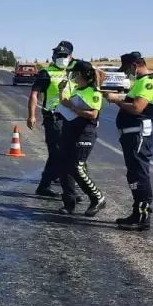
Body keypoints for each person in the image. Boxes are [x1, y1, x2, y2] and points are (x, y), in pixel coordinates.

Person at [106, 51, 153, 230]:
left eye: (128, 69)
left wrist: (116, 101)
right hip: (130, 135)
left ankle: (143, 216)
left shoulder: (149, 82)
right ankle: (136, 213)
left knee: (140, 174)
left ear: (135, 66)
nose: (127, 73)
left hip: (138, 135)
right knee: (133, 174)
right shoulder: (139, 83)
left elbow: (137, 108)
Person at [55, 60, 107, 216]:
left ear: (83, 75)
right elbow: (65, 103)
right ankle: (69, 203)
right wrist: (61, 91)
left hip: (84, 132)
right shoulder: (79, 89)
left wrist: (74, 108)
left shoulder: (93, 92)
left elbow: (93, 114)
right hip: (71, 130)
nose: (73, 76)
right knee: (65, 166)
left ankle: (97, 197)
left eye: (76, 73)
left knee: (77, 167)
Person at [28, 41, 77, 198]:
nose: (61, 58)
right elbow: (34, 94)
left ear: (70, 56)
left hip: (73, 118)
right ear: (53, 56)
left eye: (64, 55)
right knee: (57, 154)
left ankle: (49, 185)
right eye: (58, 55)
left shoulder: (74, 72)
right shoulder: (46, 73)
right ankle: (65, 190)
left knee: (70, 154)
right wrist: (32, 115)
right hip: (54, 118)